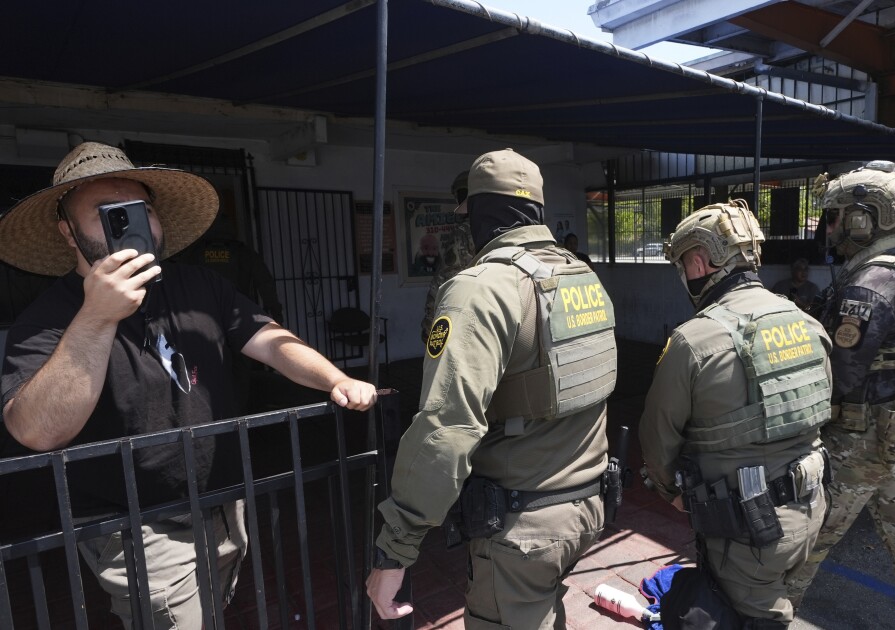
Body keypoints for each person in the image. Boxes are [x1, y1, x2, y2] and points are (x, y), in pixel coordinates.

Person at [0, 141, 378, 630]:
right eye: (107, 212)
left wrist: (335, 378)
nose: (130, 221)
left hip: (222, 502)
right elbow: (36, 430)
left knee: (214, 609)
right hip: (135, 525)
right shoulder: (47, 318)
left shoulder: (200, 286)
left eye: (141, 208)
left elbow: (268, 339)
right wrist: (96, 317)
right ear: (67, 232)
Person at [367, 149, 617, 628]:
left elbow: (446, 429)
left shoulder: (479, 288)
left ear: (479, 214)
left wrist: (395, 550)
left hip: (524, 524)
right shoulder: (582, 275)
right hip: (588, 506)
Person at [639, 199, 834, 628]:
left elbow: (657, 438)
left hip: (747, 531)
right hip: (811, 506)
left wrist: (670, 491)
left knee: (755, 619)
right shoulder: (806, 323)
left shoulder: (694, 340)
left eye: (682, 265)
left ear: (698, 261)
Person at [786, 160, 895, 628]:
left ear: (864, 219)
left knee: (805, 544)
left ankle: (764, 620)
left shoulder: (869, 285)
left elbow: (839, 376)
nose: (829, 228)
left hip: (859, 446)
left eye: (836, 216)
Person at [420, 170, 473, 345]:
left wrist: (429, 326)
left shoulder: (462, 233)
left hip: (469, 318)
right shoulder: (505, 229)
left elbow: (446, 280)